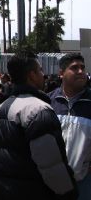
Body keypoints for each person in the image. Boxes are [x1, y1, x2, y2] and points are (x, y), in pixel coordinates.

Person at [0, 52, 77, 199]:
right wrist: (69, 193)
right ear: (31, 75)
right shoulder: (38, 110)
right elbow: (51, 166)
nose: (44, 74)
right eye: (40, 70)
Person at [48, 53, 91, 200]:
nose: (81, 71)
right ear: (61, 73)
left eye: (82, 68)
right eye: (74, 68)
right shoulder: (48, 102)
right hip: (51, 184)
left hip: (84, 184)